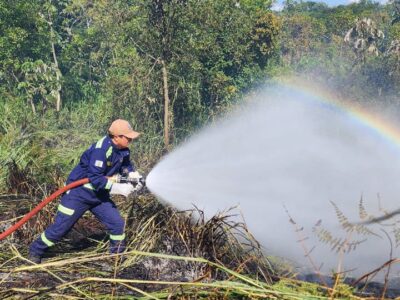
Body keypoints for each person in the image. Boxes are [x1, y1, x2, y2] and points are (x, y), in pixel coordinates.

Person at [28, 119, 143, 263]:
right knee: (60, 229)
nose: (131, 140)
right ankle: (35, 250)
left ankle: (116, 257)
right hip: (78, 194)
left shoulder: (123, 150)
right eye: (128, 137)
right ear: (117, 137)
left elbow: (125, 165)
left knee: (117, 224)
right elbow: (95, 178)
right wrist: (119, 188)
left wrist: (131, 174)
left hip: (98, 197)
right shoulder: (101, 150)